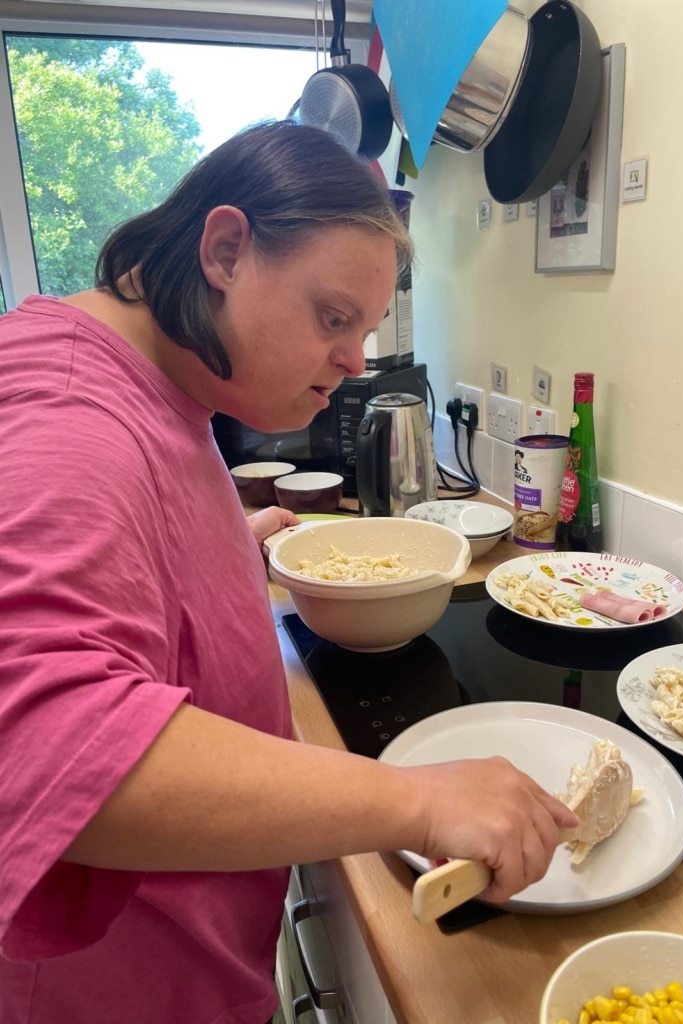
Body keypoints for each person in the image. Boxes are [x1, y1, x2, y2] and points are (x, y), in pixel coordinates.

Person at [0, 120, 579, 1024]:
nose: (354, 359)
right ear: (227, 248)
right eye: (333, 317)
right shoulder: (69, 412)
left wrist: (217, 534)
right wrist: (418, 800)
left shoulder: (153, 386)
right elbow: (51, 750)